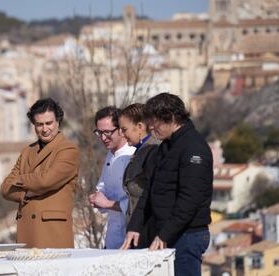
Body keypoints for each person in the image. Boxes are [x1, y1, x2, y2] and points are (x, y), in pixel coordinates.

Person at [122, 93, 213, 276]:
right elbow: (150, 191)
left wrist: (165, 234)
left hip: (186, 236)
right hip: (167, 234)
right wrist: (135, 226)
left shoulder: (194, 148)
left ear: (170, 118)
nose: (151, 127)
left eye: (155, 122)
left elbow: (189, 200)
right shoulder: (166, 146)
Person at [1, 98, 80, 248]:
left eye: (49, 123)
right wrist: (26, 193)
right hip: (26, 234)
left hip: (52, 232)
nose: (44, 129)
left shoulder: (68, 149)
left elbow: (46, 181)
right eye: (39, 124)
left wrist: (19, 179)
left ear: (58, 122)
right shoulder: (27, 152)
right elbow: (5, 188)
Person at [89, 106, 135, 249]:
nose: (103, 138)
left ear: (121, 130)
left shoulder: (132, 155)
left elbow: (136, 202)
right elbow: (103, 186)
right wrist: (97, 197)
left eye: (108, 132)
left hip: (131, 238)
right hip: (112, 237)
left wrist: (107, 204)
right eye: (99, 132)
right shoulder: (110, 154)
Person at [118, 103, 159, 248]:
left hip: (146, 232)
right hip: (138, 230)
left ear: (140, 127)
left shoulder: (152, 151)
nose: (122, 134)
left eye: (124, 129)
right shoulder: (140, 151)